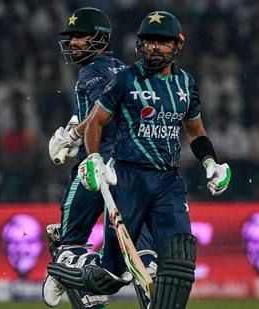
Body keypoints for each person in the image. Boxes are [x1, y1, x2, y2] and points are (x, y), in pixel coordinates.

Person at [48, 11, 232, 309]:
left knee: (179, 254)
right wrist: (93, 158)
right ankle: (70, 273)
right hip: (128, 179)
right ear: (139, 44)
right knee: (111, 273)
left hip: (168, 181)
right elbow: (95, 121)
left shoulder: (186, 84)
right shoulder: (125, 79)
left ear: (177, 45)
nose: (154, 48)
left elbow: (196, 132)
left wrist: (211, 163)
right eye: (148, 42)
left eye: (162, 42)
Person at [44, 7, 155, 309]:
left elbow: (101, 112)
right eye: (72, 37)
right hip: (133, 165)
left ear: (99, 38)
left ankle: (86, 284)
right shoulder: (123, 68)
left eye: (80, 36)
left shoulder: (90, 71)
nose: (74, 43)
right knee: (139, 245)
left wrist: (72, 135)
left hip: (96, 164)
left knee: (67, 241)